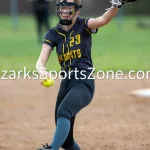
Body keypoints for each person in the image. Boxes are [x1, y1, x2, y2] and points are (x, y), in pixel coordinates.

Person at [36, 0, 137, 149]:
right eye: (62, 8)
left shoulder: (84, 25)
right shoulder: (52, 33)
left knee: (64, 111)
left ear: (77, 11)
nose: (65, 11)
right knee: (66, 140)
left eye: (69, 8)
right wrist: (42, 70)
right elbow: (40, 61)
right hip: (66, 84)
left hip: (83, 82)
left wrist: (117, 4)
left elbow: (103, 20)